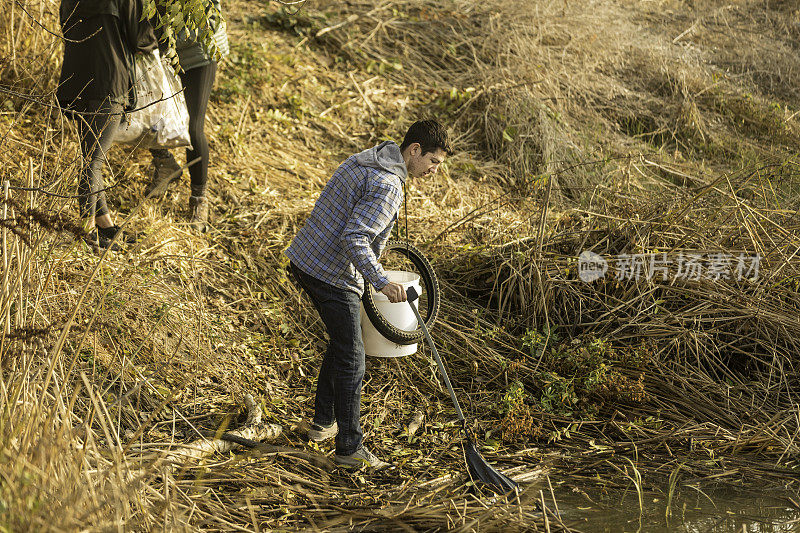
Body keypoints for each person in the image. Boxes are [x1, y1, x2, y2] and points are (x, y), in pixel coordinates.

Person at [285, 120, 451, 470]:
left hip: (306, 257)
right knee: (353, 358)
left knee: (342, 343)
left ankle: (322, 423)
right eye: (433, 162)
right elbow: (354, 238)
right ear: (415, 151)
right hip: (330, 273)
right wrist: (380, 280)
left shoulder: (370, 158)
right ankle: (349, 449)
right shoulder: (389, 184)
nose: (435, 170)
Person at [57, 0, 157, 249]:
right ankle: (86, 232)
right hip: (108, 79)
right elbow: (141, 39)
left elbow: (66, 29)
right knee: (93, 162)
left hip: (75, 80)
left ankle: (105, 225)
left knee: (90, 156)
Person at [145, 0, 229, 233]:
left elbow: (209, 19)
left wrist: (167, 37)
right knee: (149, 114)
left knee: (192, 126)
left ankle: (199, 198)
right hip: (162, 50)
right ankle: (165, 165)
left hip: (199, 50)